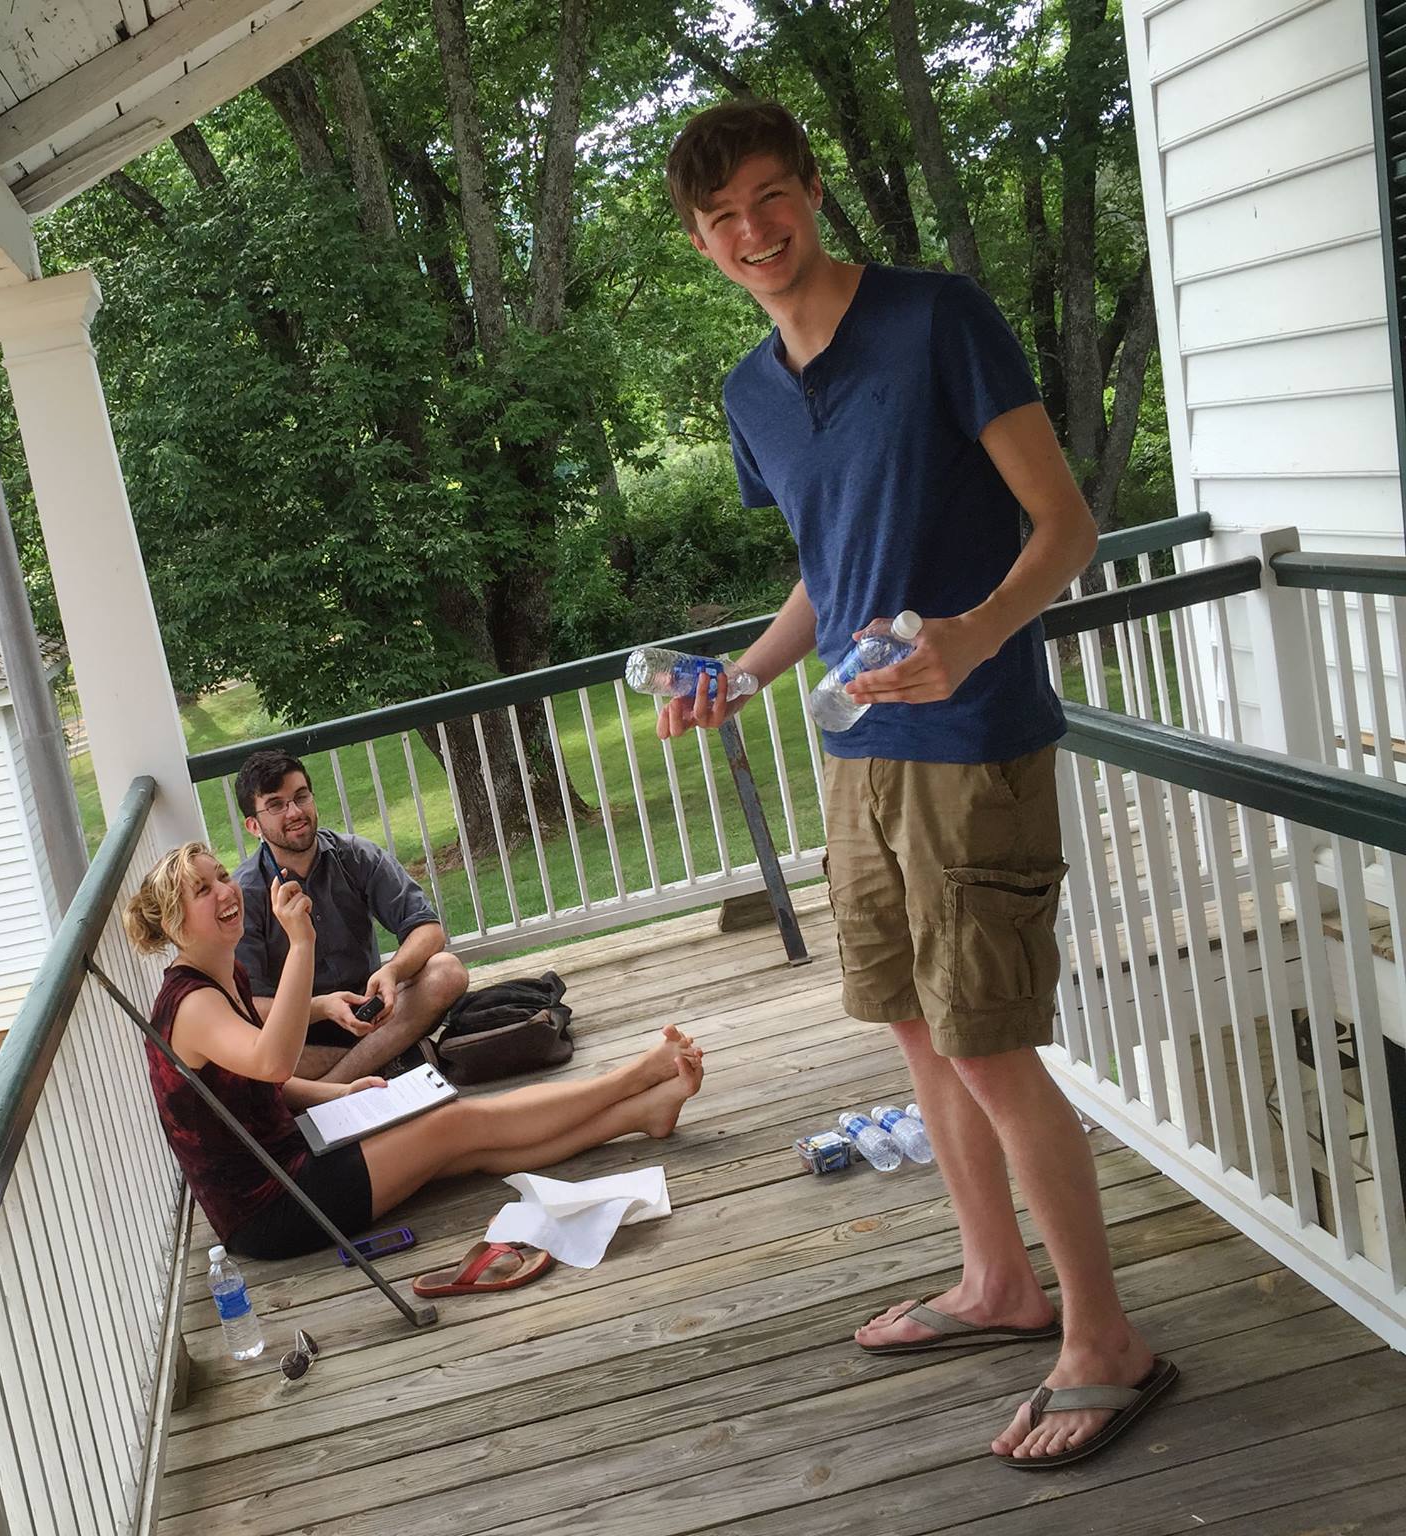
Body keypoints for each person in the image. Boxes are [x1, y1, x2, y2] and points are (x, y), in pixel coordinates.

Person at [657, 100, 1170, 1469]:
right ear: (699, 243)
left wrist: (973, 636)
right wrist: (745, 675)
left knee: (993, 1044)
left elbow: (1066, 524)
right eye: (722, 220)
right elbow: (832, 571)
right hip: (854, 751)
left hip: (975, 740)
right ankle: (997, 1282)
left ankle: (1103, 1337)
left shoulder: (940, 320)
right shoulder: (751, 393)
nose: (753, 232)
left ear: (813, 190)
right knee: (917, 1033)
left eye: (771, 198)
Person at [122, 842, 703, 1261]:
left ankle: (640, 1114)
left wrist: (338, 1092)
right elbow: (273, 1061)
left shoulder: (221, 977)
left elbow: (254, 1087)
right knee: (456, 1124)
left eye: (222, 875)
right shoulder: (192, 1005)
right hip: (273, 1207)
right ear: (175, 924)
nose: (226, 890)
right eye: (204, 890)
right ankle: (634, 1078)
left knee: (464, 1149)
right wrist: (302, 943)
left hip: (294, 1155)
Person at [231, 749, 469, 1084]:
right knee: (242, 1057)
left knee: (447, 972)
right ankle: (391, 1060)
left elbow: (427, 929)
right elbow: (251, 1007)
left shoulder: (356, 855)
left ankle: (329, 1089)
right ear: (253, 825)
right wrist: (322, 1007)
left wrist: (392, 971)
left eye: (301, 797)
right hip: (303, 1033)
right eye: (276, 804)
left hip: (374, 1012)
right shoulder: (246, 894)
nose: (295, 812)